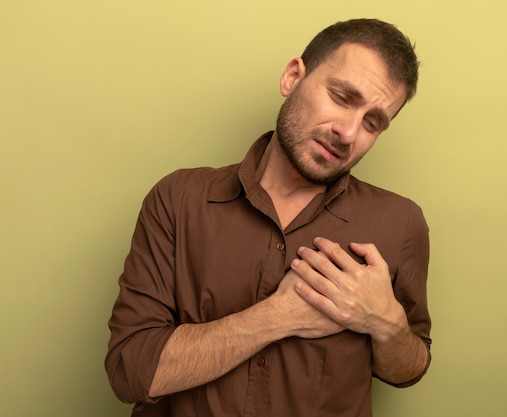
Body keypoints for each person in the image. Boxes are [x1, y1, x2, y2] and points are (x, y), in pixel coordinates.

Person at [106, 18, 432, 417]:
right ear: (293, 77)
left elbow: (409, 368)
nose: (348, 133)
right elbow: (131, 371)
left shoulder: (400, 224)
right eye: (342, 97)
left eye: (371, 122)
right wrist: (279, 316)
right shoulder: (179, 200)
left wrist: (386, 322)